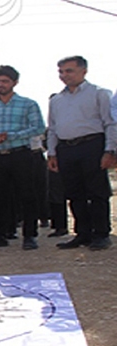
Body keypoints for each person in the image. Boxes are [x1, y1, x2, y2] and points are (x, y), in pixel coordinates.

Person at [0, 65, 46, 250]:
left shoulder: (28, 104)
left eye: (5, 81)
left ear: (14, 82)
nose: (0, 85)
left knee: (27, 195)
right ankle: (0, 235)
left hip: (20, 154)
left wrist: (11, 136)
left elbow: (38, 128)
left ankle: (29, 235)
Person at [47, 56, 117, 251]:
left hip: (92, 145)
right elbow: (52, 128)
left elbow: (110, 123)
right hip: (66, 148)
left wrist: (110, 150)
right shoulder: (57, 100)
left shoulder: (99, 94)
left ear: (83, 71)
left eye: (69, 71)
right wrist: (52, 153)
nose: (64, 75)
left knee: (97, 192)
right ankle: (83, 233)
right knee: (74, 193)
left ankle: (101, 234)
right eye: (61, 71)